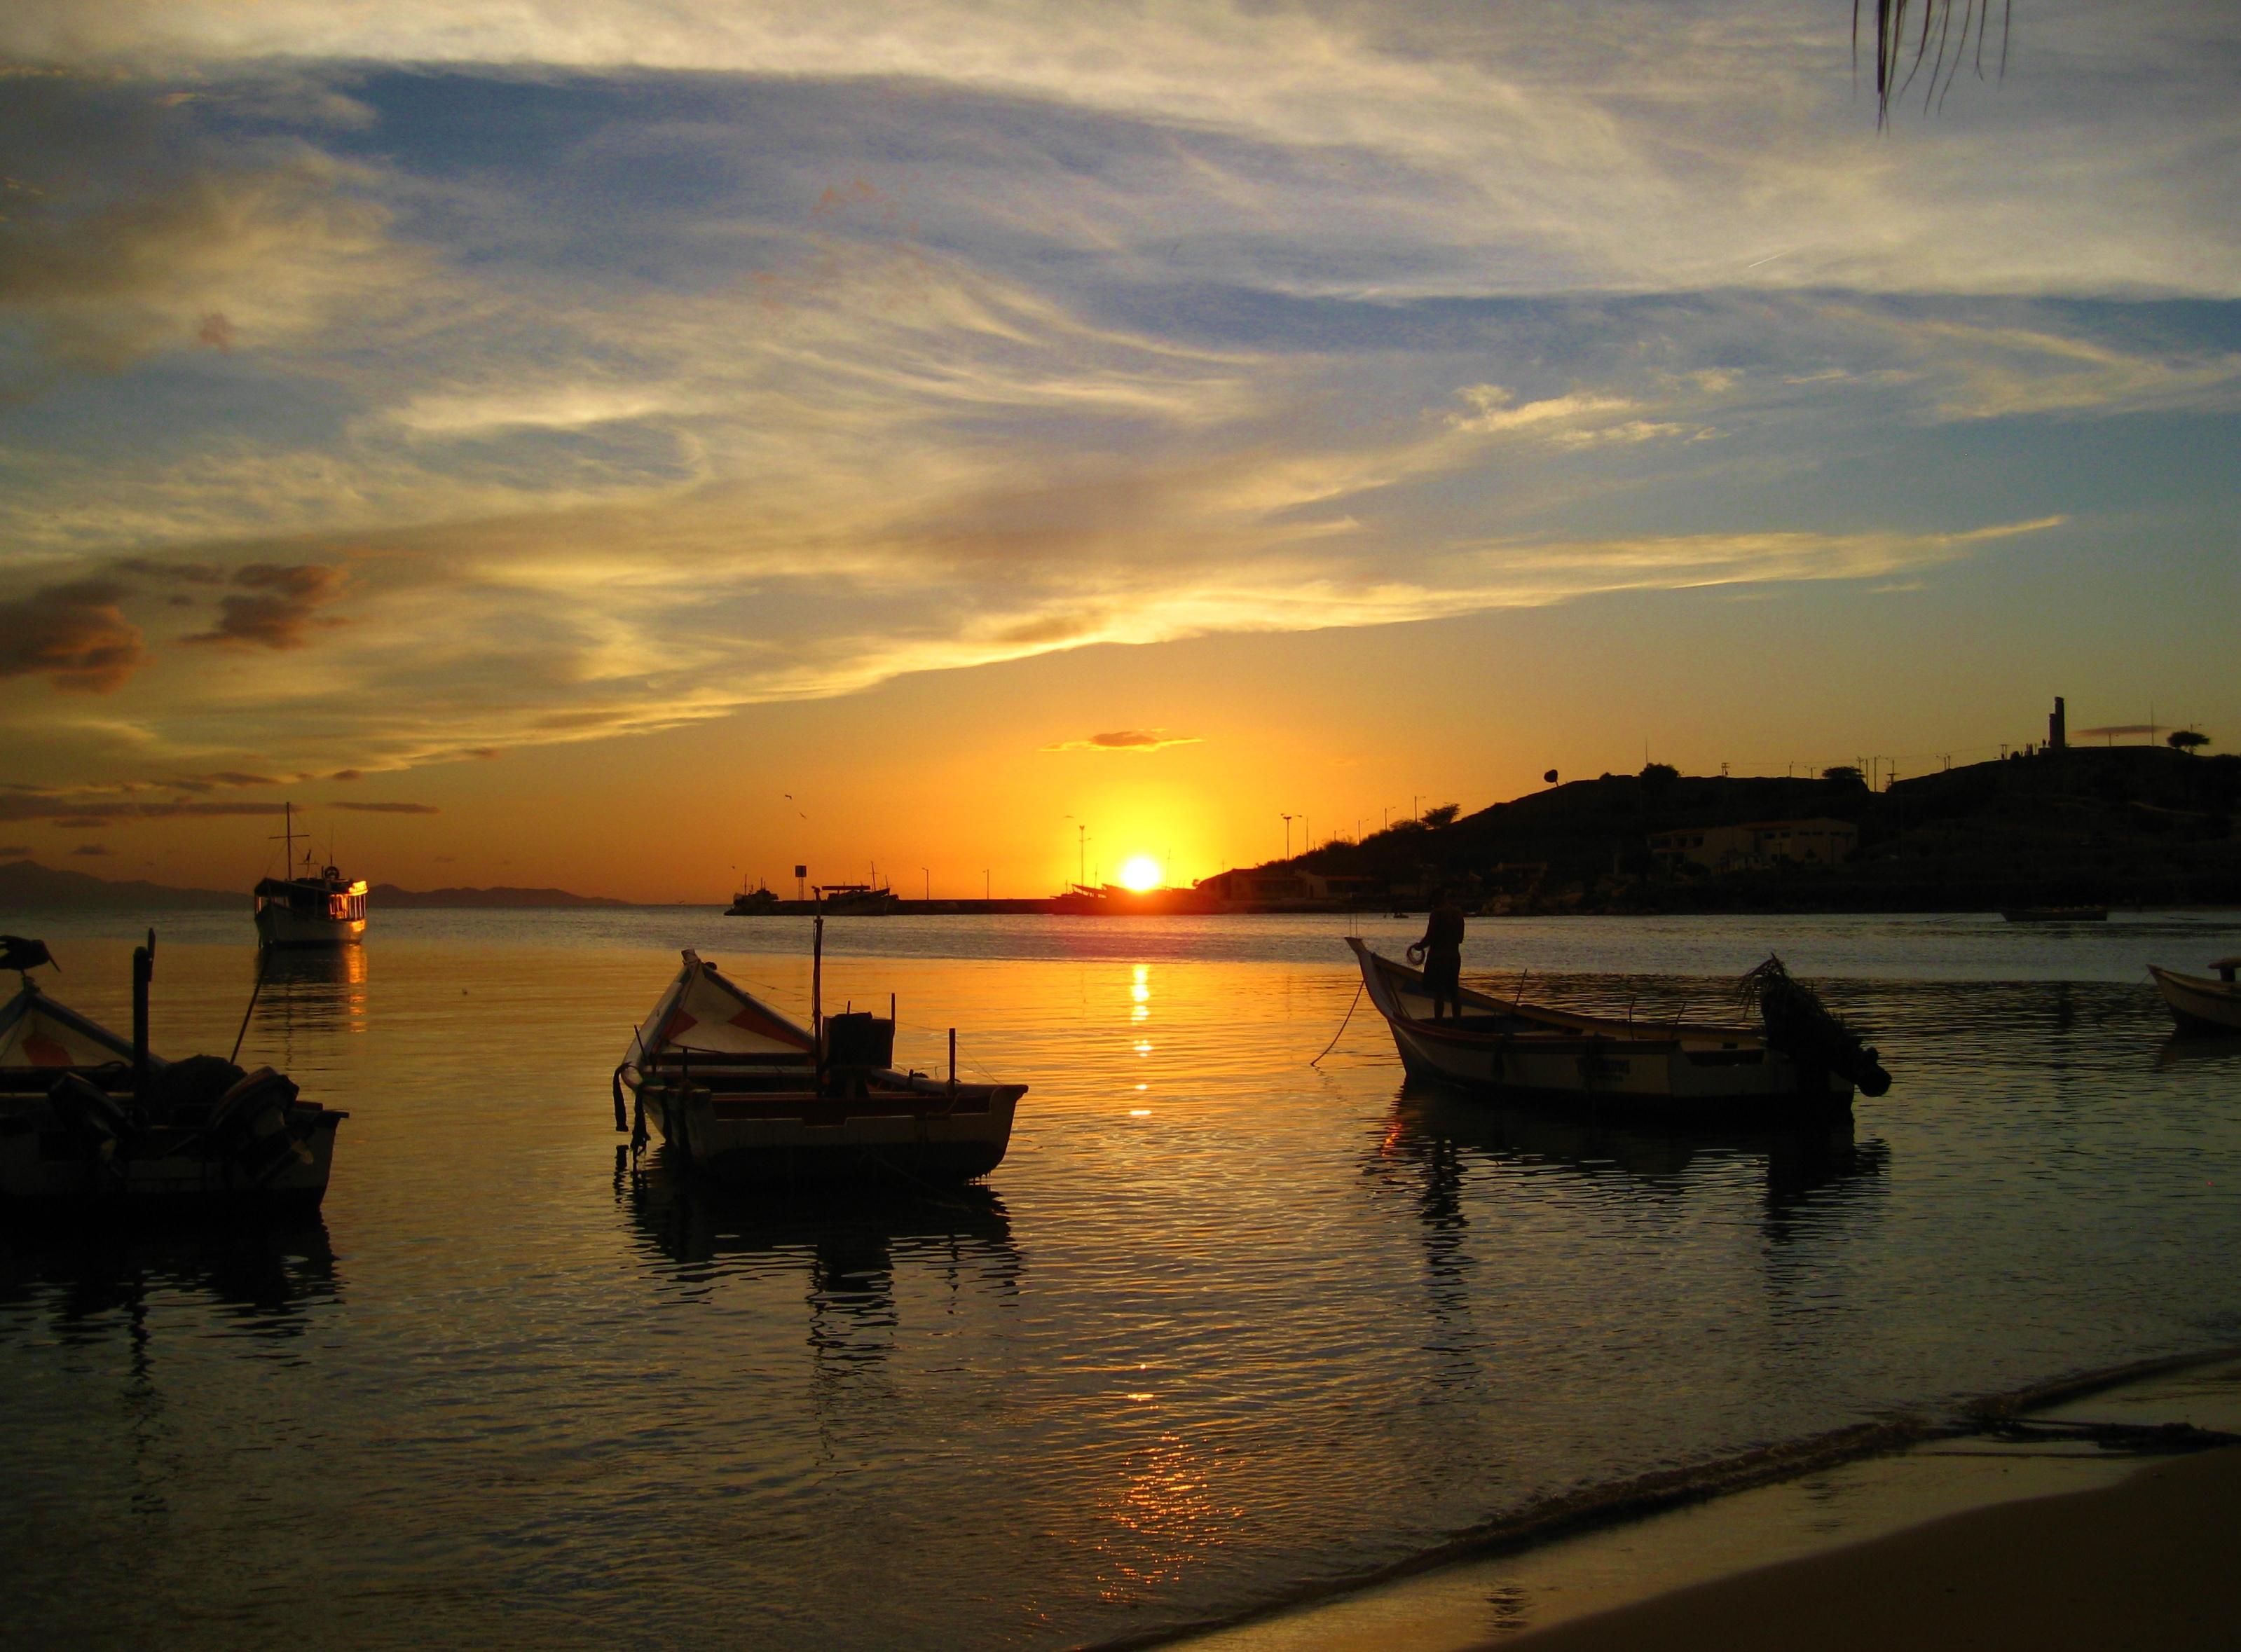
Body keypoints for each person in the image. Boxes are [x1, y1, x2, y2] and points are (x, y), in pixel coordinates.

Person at [1407, 887, 1466, 1021]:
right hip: (1454, 957)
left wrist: (1419, 946)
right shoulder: (1458, 913)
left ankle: (1438, 1023)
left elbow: (1430, 937)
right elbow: (1460, 939)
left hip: (1438, 958)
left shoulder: (1437, 914)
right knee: (1454, 992)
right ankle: (1457, 1023)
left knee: (1439, 993)